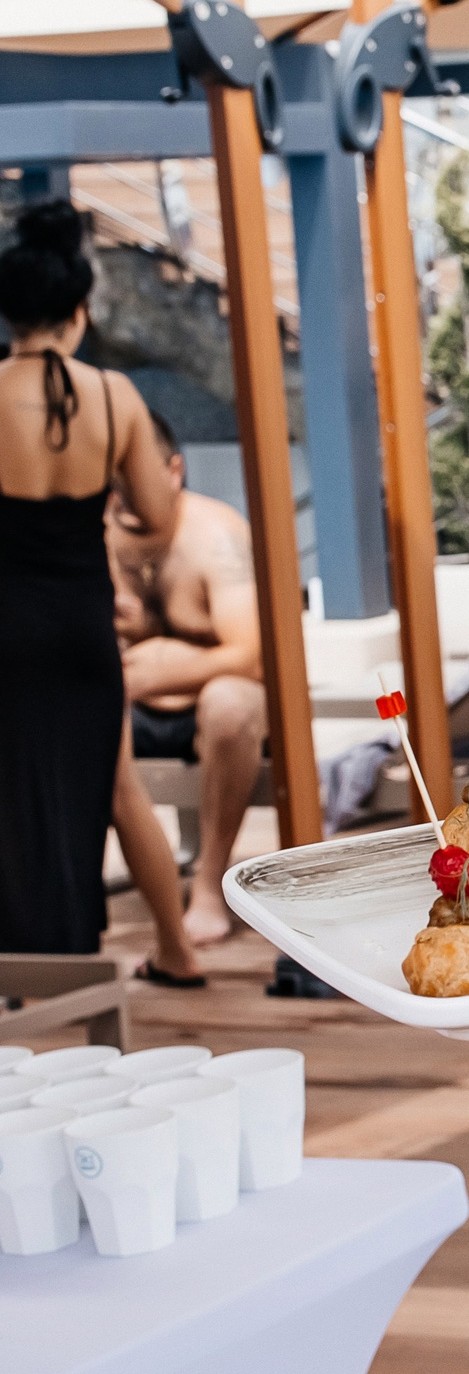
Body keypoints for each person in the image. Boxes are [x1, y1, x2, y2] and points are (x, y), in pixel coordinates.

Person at [0, 202, 180, 958]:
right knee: (106, 786)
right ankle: (163, 948)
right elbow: (160, 520)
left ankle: (22, 950)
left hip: (6, 623)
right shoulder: (115, 397)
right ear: (78, 312)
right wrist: (111, 532)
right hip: (83, 625)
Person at [109, 409, 266, 951]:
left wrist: (173, 666)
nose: (123, 493)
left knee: (231, 702)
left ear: (173, 470)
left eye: (136, 475)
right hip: (131, 709)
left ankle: (208, 885)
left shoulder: (215, 537)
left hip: (211, 707)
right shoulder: (97, 540)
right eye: (113, 477)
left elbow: (253, 656)